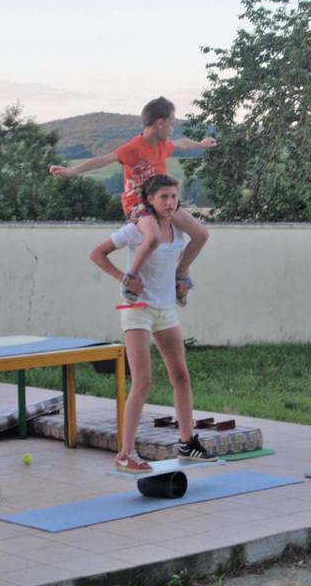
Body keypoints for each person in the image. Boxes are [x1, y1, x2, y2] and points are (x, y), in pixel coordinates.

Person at [90, 173, 218, 473]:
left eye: (174, 196)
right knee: (143, 380)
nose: (170, 202)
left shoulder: (178, 229)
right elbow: (97, 254)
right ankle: (125, 454)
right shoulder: (136, 230)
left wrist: (183, 277)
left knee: (181, 376)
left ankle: (187, 443)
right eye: (163, 197)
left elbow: (190, 247)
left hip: (166, 309)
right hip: (137, 309)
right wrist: (123, 278)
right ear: (150, 200)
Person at [50, 97, 216, 305]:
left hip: (161, 201)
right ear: (160, 123)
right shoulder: (133, 148)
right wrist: (71, 171)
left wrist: (201, 144)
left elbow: (181, 143)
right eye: (171, 123)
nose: (172, 129)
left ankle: (179, 274)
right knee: (153, 236)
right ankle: (130, 279)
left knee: (201, 234)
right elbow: (103, 160)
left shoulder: (163, 145)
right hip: (138, 204)